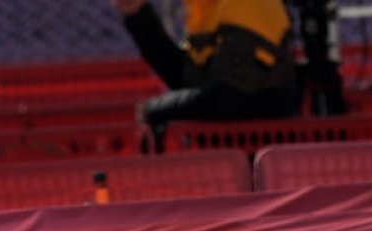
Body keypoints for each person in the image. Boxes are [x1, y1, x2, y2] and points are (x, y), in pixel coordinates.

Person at [109, 0, 302, 145]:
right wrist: (137, 14)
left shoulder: (248, 5)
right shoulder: (206, 6)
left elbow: (230, 97)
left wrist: (155, 109)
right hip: (228, 157)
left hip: (263, 163)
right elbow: (188, 79)